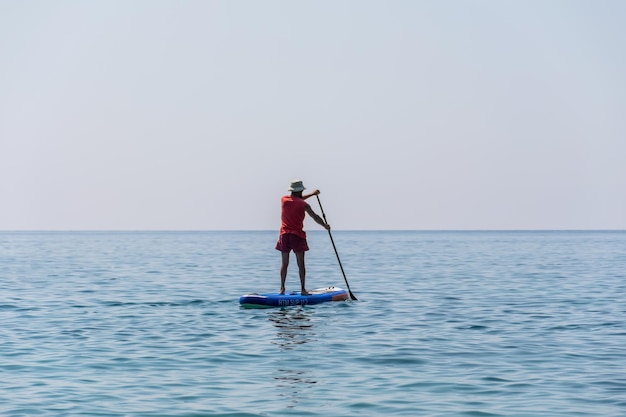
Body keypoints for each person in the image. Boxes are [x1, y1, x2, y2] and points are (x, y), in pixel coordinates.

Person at [275, 180, 330, 295]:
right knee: (301, 264)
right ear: (300, 191)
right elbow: (315, 217)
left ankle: (282, 288)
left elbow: (297, 199)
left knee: (284, 263)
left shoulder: (284, 200)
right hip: (297, 236)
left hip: (284, 235)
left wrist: (312, 194)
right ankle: (303, 290)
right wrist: (324, 225)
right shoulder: (304, 205)